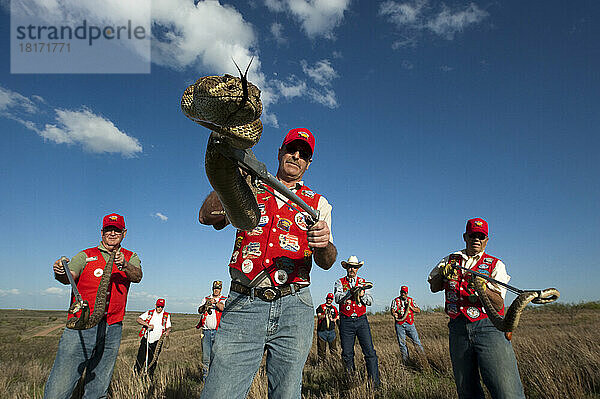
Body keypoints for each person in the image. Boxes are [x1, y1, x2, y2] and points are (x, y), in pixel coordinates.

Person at [198, 127, 337, 399]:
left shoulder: (318, 204)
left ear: (308, 163)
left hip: (295, 307)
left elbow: (328, 261)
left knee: (286, 392)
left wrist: (323, 244)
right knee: (220, 392)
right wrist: (231, 179)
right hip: (244, 303)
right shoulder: (250, 187)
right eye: (291, 150)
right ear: (280, 152)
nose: (296, 156)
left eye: (303, 154)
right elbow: (206, 216)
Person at [44, 213, 142, 399]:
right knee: (60, 387)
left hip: (112, 327)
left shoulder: (130, 256)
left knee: (98, 387)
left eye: (117, 230)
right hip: (81, 326)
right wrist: (59, 272)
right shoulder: (86, 255)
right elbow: (68, 277)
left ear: (124, 233)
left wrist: (125, 265)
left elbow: (137, 275)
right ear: (102, 232)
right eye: (108, 230)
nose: (112, 233)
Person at [428, 218, 526, 399]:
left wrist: (484, 287)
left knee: (506, 390)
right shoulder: (450, 259)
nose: (477, 240)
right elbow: (434, 287)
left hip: (489, 327)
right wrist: (442, 274)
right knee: (467, 389)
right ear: (465, 236)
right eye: (473, 235)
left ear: (487, 240)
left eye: (481, 236)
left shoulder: (496, 264)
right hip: (457, 327)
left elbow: (498, 304)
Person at [334, 255, 380, 387]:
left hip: (361, 320)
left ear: (358, 269)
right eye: (350, 266)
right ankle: (351, 383)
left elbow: (370, 301)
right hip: (346, 321)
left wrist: (362, 294)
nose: (352, 269)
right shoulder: (339, 282)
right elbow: (337, 298)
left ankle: (375, 384)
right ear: (346, 268)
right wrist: (350, 292)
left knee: (370, 352)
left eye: (354, 267)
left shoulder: (364, 282)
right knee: (347, 354)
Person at [197, 280, 227, 379]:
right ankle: (205, 377)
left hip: (218, 332)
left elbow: (223, 308)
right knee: (206, 356)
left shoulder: (223, 299)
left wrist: (215, 302)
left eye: (218, 288)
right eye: (215, 288)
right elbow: (199, 310)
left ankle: (215, 377)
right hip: (206, 332)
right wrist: (206, 304)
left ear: (221, 289)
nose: (216, 290)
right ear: (212, 289)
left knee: (217, 356)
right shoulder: (205, 298)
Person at [134, 298, 172, 377]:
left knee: (153, 360)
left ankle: (148, 377)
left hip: (157, 342)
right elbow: (138, 319)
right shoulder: (150, 313)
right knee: (140, 358)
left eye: (161, 307)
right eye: (158, 306)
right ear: (155, 305)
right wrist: (147, 325)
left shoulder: (166, 315)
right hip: (146, 339)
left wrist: (168, 331)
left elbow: (168, 327)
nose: (160, 308)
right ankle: (136, 376)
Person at [390, 285, 424, 364]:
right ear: (400, 292)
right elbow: (392, 310)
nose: (403, 294)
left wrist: (411, 307)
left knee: (416, 342)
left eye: (404, 293)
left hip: (410, 323)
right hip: (399, 324)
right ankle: (406, 362)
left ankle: (423, 360)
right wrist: (394, 314)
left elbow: (418, 310)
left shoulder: (411, 300)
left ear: (407, 293)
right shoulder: (395, 301)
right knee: (402, 344)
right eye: (402, 292)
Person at [316, 293, 339, 362]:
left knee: (333, 350)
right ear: (326, 298)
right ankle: (321, 365)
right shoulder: (321, 307)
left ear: (332, 300)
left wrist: (333, 319)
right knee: (321, 351)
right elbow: (319, 316)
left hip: (331, 331)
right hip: (322, 331)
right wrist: (325, 316)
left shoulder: (334, 308)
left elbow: (337, 317)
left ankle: (334, 365)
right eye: (328, 298)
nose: (329, 300)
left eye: (331, 299)